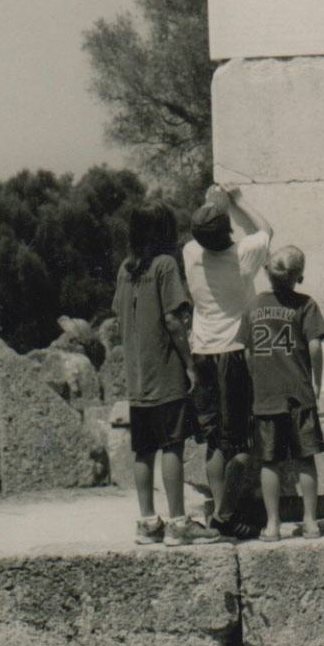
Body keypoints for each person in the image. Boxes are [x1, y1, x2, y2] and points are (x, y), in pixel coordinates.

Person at [113, 201, 221, 546]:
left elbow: (119, 315)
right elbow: (174, 319)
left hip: (137, 375)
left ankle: (147, 522)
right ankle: (177, 522)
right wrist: (189, 365)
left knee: (143, 449)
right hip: (165, 370)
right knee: (172, 444)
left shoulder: (125, 269)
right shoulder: (165, 266)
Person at [183, 183, 273, 539]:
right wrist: (237, 200)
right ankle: (225, 515)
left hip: (202, 351)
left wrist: (212, 200)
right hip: (234, 352)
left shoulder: (190, 252)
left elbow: (207, 218)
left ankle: (219, 513)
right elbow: (266, 229)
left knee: (215, 442)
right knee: (240, 442)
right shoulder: (243, 255)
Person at [240, 246, 324, 541]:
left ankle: (273, 524)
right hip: (299, 393)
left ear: (268, 272)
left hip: (266, 395)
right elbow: (315, 346)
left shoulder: (253, 305)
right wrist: (317, 380)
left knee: (270, 460)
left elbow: (248, 351)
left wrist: (256, 379)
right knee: (305, 458)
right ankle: (311, 521)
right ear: (299, 277)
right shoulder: (305, 305)